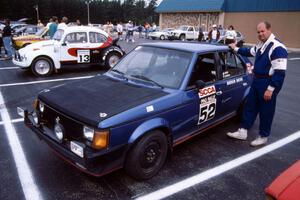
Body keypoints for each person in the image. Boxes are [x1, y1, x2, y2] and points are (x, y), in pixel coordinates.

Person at [227, 21, 288, 146]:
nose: (260, 34)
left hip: (268, 82)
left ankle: (263, 136)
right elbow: (250, 51)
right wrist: (236, 48)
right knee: (250, 105)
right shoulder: (262, 44)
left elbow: (280, 72)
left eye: (262, 31)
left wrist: (271, 89)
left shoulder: (277, 47)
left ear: (269, 29)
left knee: (266, 111)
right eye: (258, 32)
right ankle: (243, 131)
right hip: (257, 80)